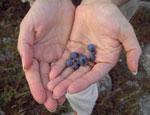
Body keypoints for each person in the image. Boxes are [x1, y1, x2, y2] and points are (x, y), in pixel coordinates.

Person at [18, 0, 142, 115]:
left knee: (83, 76)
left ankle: (83, 107)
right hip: (51, 24)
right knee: (62, 77)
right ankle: (80, 107)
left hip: (107, 16)